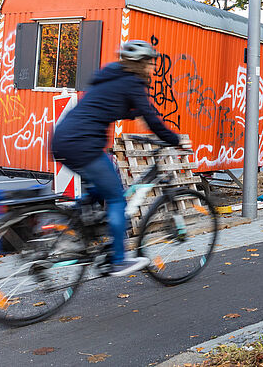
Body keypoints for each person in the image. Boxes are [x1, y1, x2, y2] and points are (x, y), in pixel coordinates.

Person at [52, 40, 180, 276]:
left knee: (100, 190)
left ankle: (75, 229)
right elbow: (152, 120)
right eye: (151, 63)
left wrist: (136, 113)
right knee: (117, 199)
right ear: (141, 63)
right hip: (83, 144)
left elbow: (115, 107)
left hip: (64, 140)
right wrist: (176, 140)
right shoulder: (132, 83)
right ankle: (118, 260)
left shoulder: (109, 79)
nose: (153, 67)